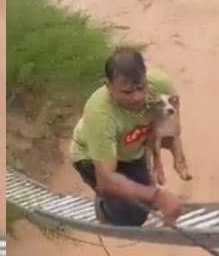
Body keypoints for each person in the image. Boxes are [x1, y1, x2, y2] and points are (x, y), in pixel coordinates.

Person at [69, 48, 185, 227]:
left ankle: (125, 195)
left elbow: (171, 132)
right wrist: (157, 195)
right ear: (108, 86)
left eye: (141, 88)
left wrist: (165, 159)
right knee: (130, 217)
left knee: (143, 202)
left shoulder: (161, 87)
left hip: (130, 148)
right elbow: (107, 177)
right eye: (127, 92)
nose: (137, 97)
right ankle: (103, 207)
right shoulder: (100, 113)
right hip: (92, 156)